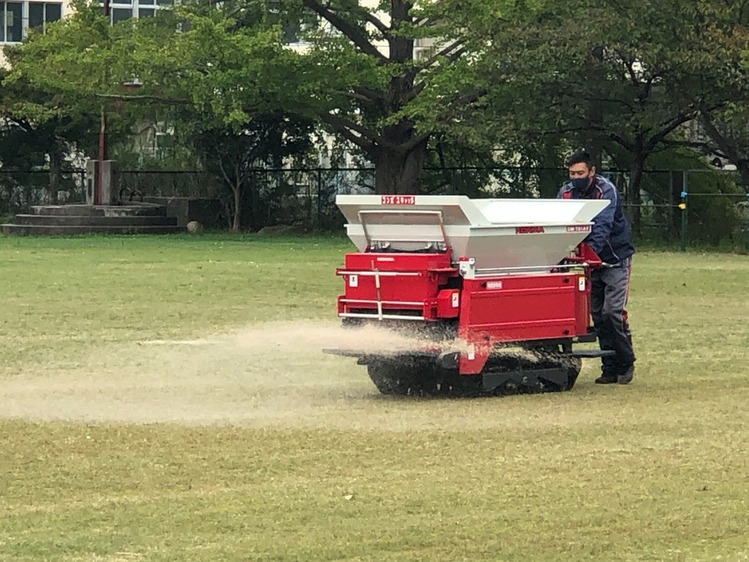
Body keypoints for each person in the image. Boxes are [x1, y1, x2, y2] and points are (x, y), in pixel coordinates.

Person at [558, 149, 636, 384]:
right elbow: (559, 222)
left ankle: (626, 361)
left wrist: (588, 254)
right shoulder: (566, 193)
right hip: (590, 264)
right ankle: (609, 367)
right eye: (572, 173)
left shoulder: (606, 191)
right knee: (597, 316)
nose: (576, 177)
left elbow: (602, 225)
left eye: (580, 172)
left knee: (612, 313)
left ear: (592, 171)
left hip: (614, 260)